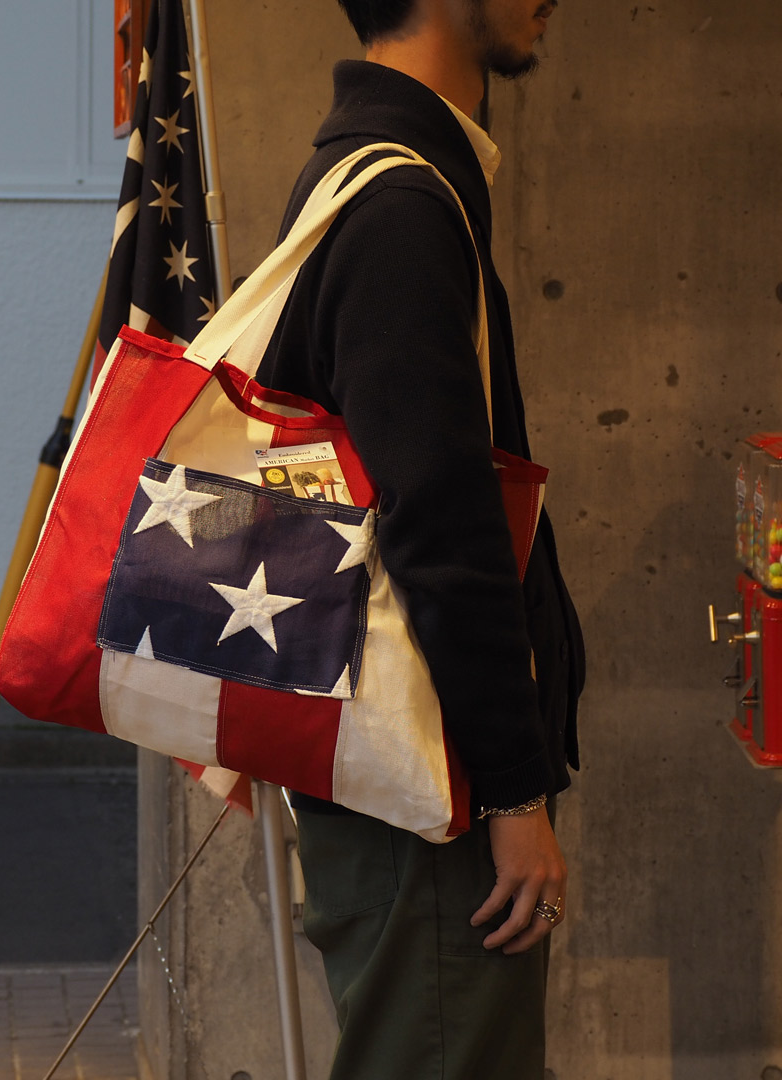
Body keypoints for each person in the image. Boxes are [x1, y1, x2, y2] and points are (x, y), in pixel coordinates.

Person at [254, 1, 586, 1076]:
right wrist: (511, 790)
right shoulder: (400, 204)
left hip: (415, 776)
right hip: (430, 790)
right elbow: (440, 517)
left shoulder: (376, 178)